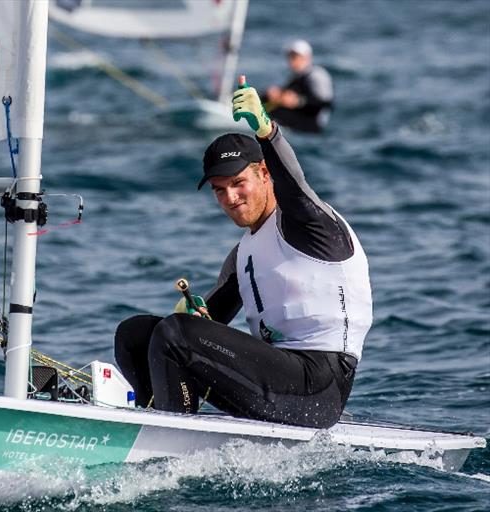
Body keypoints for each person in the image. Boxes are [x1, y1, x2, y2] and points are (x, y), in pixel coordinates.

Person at [113, 79, 372, 429]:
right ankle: (156, 423)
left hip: (319, 388)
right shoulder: (243, 255)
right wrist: (194, 314)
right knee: (136, 334)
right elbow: (205, 326)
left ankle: (172, 436)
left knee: (174, 334)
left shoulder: (308, 224)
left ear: (264, 174)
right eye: (220, 190)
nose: (231, 198)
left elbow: (296, 185)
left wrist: (267, 130)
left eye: (239, 184)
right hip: (272, 382)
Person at [263, 39, 333, 133]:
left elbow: (324, 102)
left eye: (295, 57)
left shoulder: (316, 75)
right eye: (290, 57)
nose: (292, 61)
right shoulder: (297, 76)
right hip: (297, 123)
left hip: (311, 126)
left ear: (307, 57)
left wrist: (298, 101)